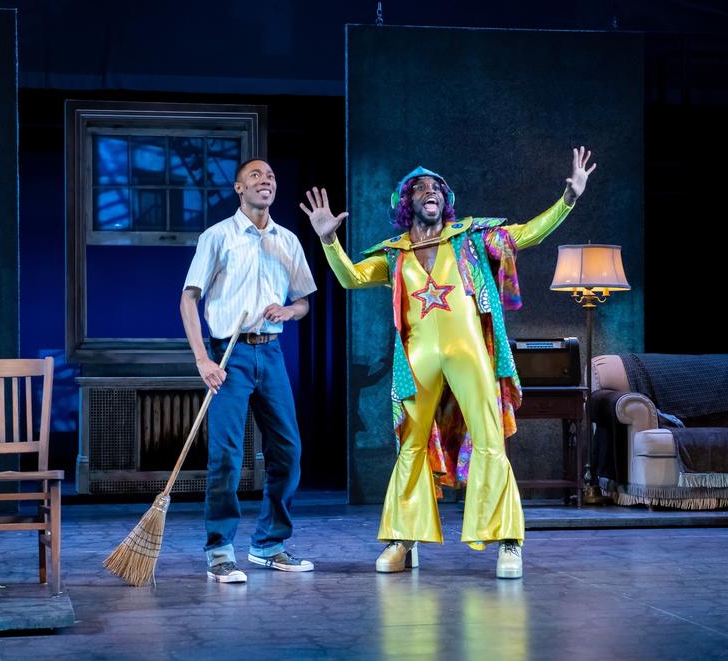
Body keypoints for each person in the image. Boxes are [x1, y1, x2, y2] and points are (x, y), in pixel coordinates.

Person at [301, 147, 596, 578]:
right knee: (411, 445)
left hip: (470, 352)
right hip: (418, 359)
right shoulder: (394, 254)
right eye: (420, 188)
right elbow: (349, 277)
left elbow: (527, 234)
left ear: (445, 200)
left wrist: (569, 198)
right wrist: (328, 240)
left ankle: (507, 540)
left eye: (436, 187)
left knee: (490, 437)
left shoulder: (473, 238)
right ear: (407, 204)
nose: (429, 191)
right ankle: (404, 539)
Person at [181, 159, 317, 583]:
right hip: (230, 354)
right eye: (256, 176)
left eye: (272, 176)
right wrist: (203, 359)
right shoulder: (218, 236)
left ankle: (269, 544)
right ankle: (220, 550)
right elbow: (189, 299)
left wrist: (289, 311)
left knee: (288, 453)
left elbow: (304, 301)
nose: (266, 181)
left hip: (271, 352)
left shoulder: (288, 241)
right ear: (239, 188)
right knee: (226, 455)